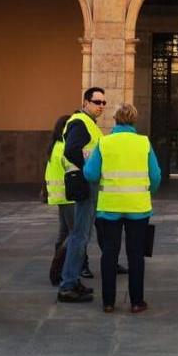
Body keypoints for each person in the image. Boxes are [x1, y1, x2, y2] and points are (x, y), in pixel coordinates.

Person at [83, 103, 162, 313]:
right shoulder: (143, 143)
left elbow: (90, 174)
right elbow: (156, 176)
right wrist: (147, 191)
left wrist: (87, 161)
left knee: (109, 253)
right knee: (136, 255)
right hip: (138, 207)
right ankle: (137, 301)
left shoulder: (104, 143)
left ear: (115, 120)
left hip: (109, 207)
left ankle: (108, 302)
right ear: (135, 121)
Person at [57, 87, 108, 303]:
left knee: (80, 234)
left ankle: (73, 279)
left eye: (104, 103)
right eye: (97, 102)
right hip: (84, 183)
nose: (101, 106)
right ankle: (68, 284)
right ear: (85, 102)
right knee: (80, 235)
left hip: (84, 182)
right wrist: (89, 169)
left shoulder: (89, 124)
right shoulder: (80, 122)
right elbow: (71, 150)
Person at [45, 113, 74, 286]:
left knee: (64, 232)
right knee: (75, 233)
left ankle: (58, 267)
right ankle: (59, 267)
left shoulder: (55, 146)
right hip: (69, 195)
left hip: (60, 195)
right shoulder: (65, 148)